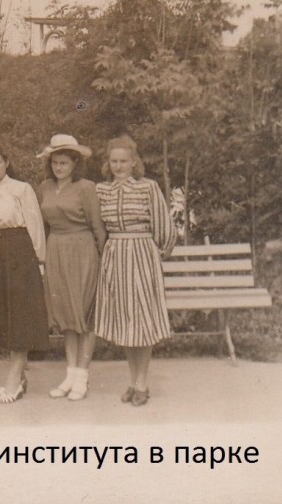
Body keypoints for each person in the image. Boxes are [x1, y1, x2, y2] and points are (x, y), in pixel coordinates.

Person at [94, 135, 176, 407]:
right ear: (108, 163)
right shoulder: (101, 191)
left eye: (124, 161)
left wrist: (158, 252)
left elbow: (164, 227)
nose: (118, 166)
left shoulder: (147, 188)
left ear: (133, 162)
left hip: (141, 255)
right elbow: (98, 228)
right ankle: (132, 381)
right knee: (125, 322)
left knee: (141, 320)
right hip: (115, 257)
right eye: (114, 161)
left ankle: (142, 383)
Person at [0, 142, 50, 404]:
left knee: (19, 313)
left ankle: (14, 378)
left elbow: (35, 226)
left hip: (19, 251)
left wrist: (38, 261)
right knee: (4, 313)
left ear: (6, 163)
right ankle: (20, 375)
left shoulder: (21, 189)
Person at [36, 134, 107, 401]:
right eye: (55, 162)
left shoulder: (87, 188)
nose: (59, 167)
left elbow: (97, 227)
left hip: (82, 250)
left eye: (64, 162)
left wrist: (103, 258)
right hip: (56, 249)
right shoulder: (43, 187)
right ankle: (69, 375)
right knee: (66, 315)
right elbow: (43, 225)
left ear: (75, 163)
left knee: (84, 314)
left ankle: (82, 377)